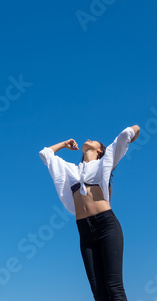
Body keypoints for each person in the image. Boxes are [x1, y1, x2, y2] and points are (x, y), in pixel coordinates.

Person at [38, 125, 140, 301]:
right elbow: (45, 154)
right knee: (98, 293)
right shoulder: (70, 170)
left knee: (114, 287)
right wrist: (63, 144)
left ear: (100, 150)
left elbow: (127, 133)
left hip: (106, 226)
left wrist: (134, 132)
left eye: (94, 141)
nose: (89, 139)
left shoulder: (104, 163)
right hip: (84, 231)